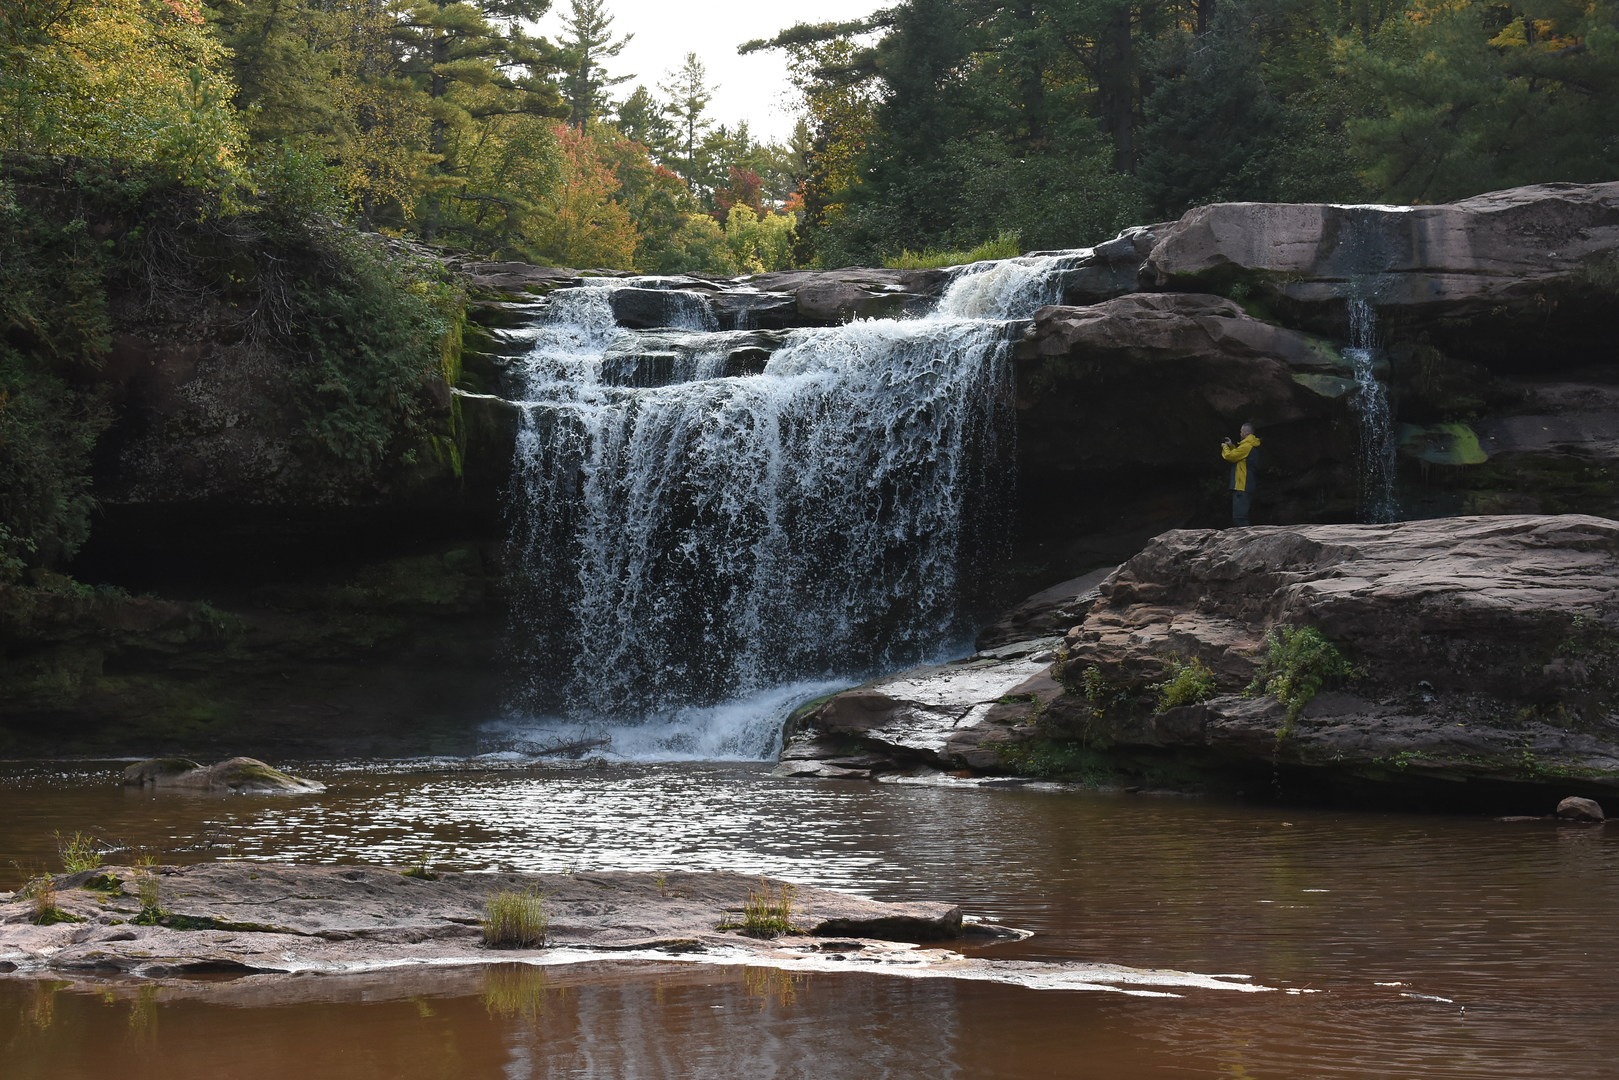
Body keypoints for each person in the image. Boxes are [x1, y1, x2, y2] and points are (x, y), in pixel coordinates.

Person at [1220, 422, 1261, 527]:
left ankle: (1246, 540)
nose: (1240, 433)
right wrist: (1232, 446)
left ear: (1246, 432)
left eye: (1241, 431)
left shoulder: (1247, 446)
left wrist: (1225, 447)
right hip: (1246, 485)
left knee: (1240, 517)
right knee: (1240, 516)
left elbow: (1231, 456)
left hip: (1242, 485)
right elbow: (1240, 457)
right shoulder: (1250, 445)